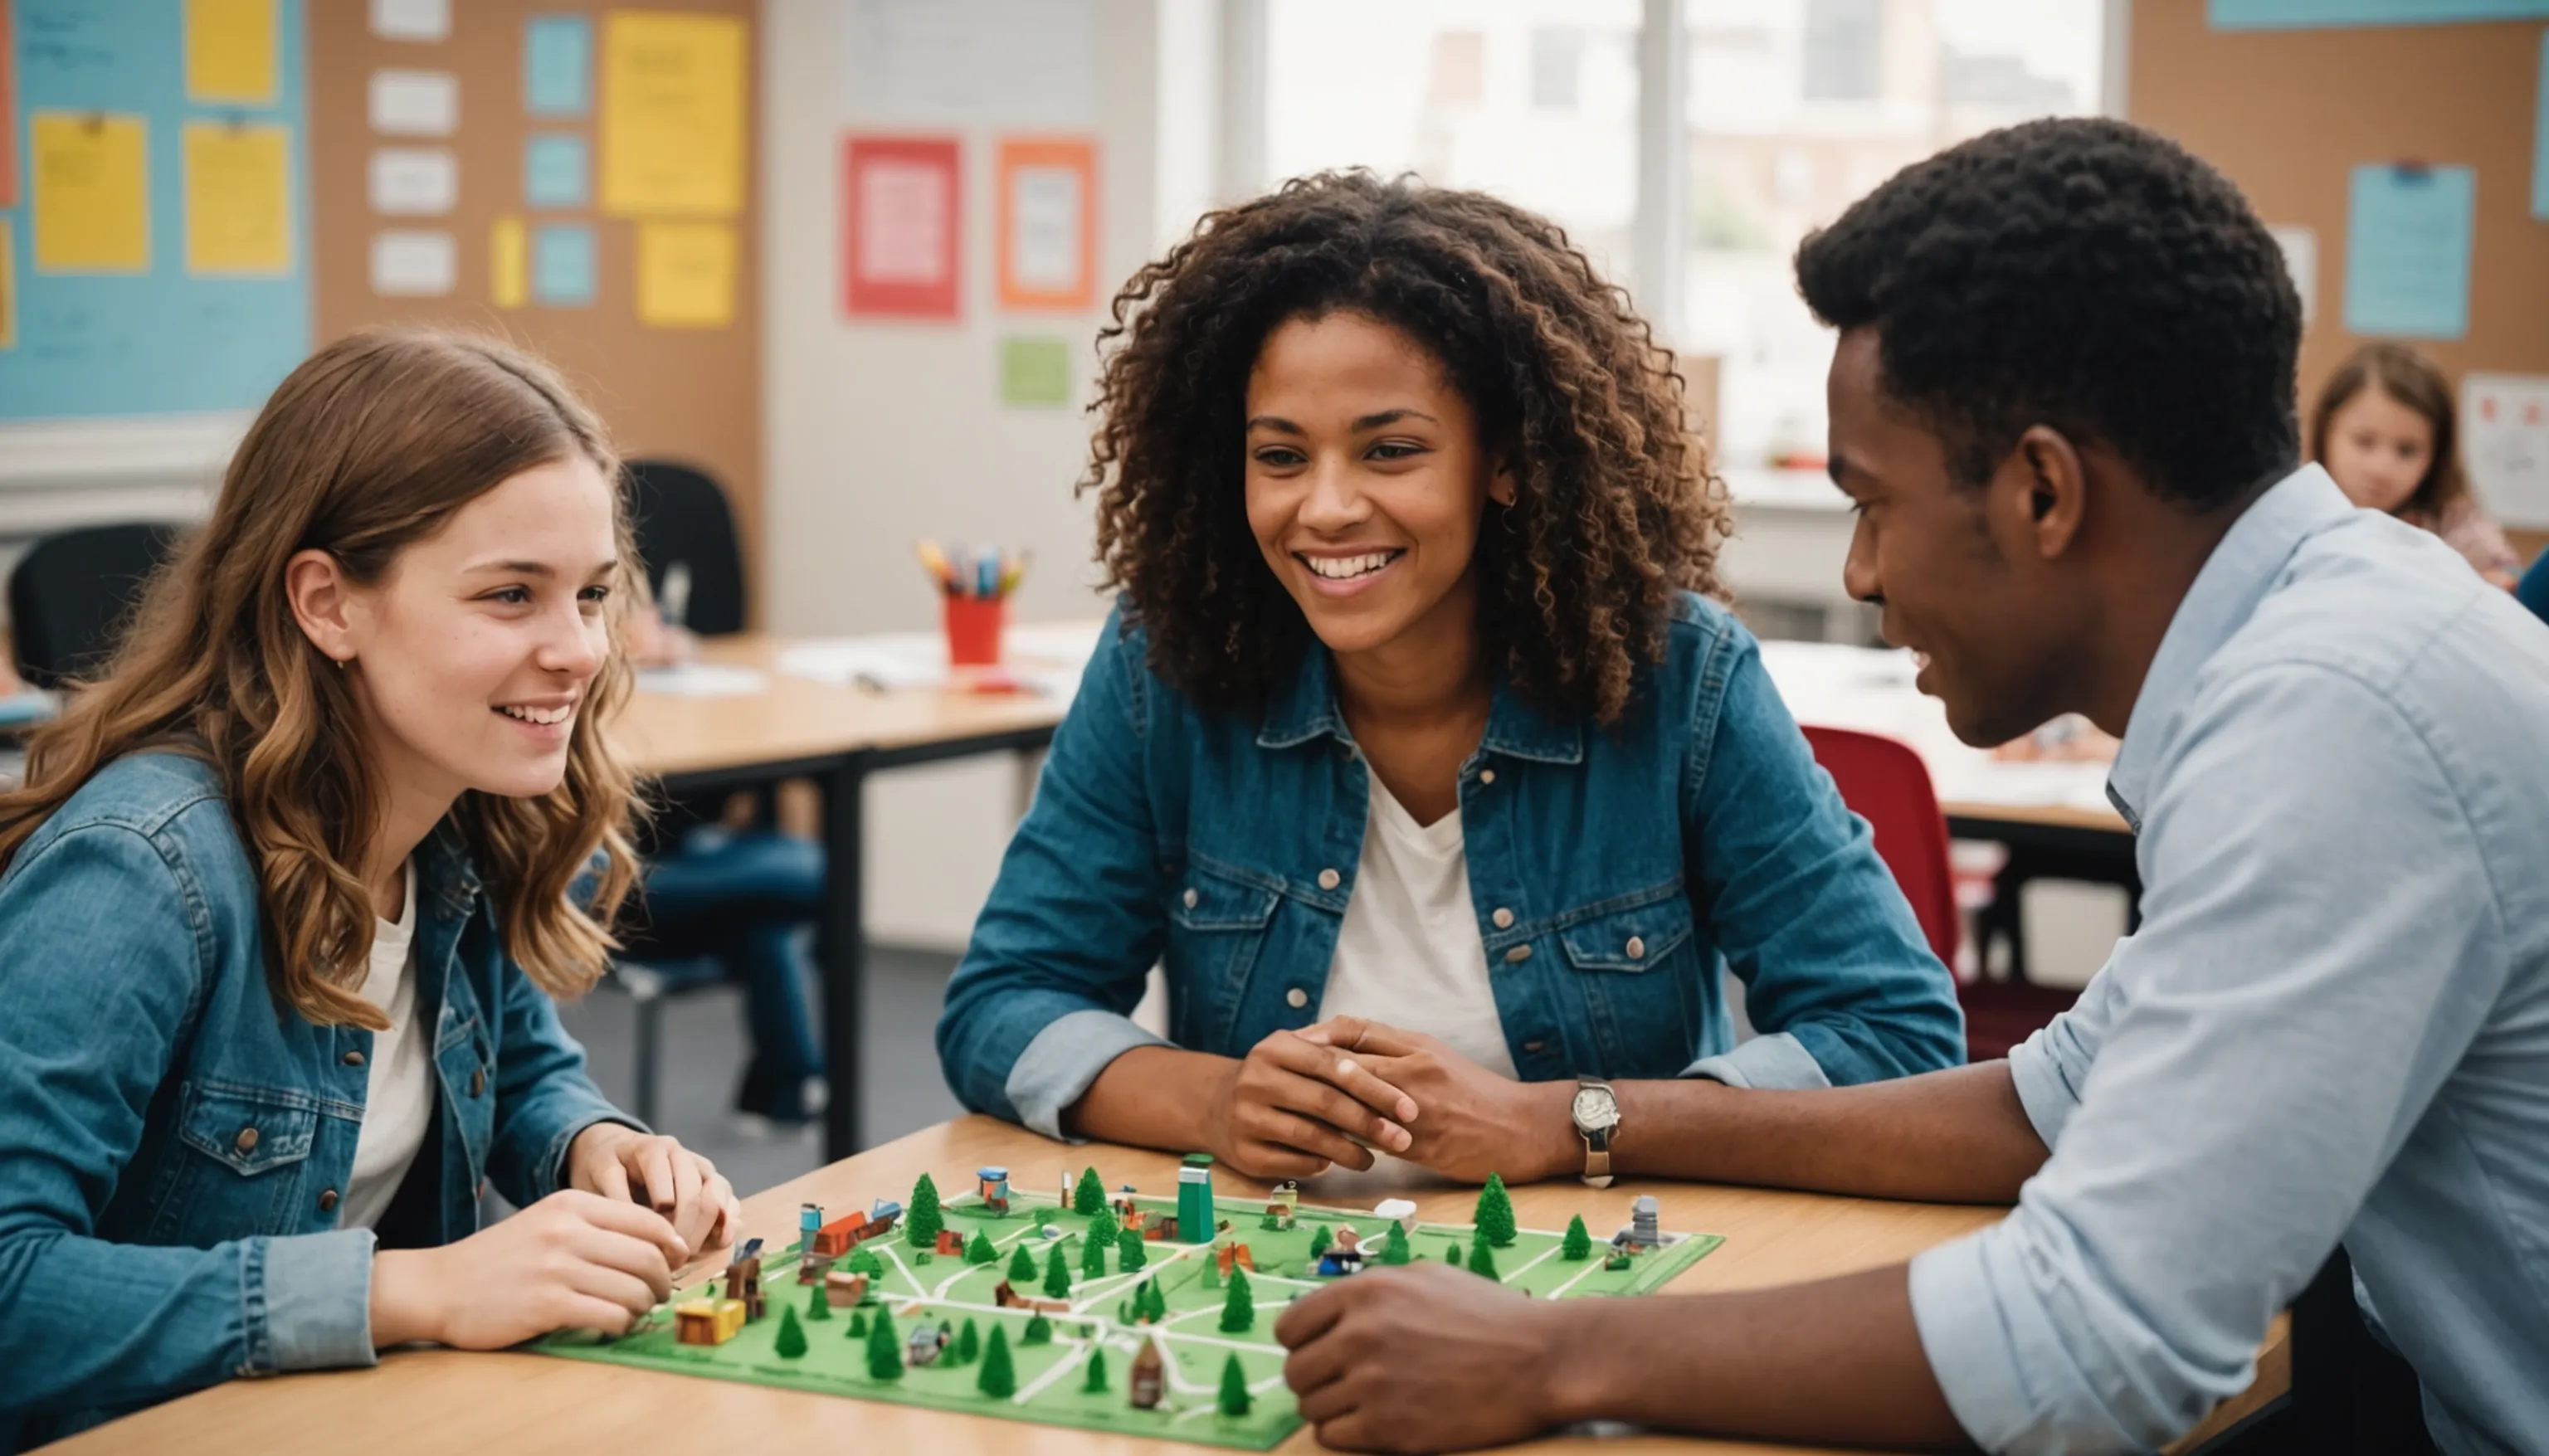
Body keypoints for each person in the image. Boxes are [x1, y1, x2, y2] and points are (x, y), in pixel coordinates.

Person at [1273, 119, 2549, 1456]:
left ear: (2043, 491)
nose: (1862, 574)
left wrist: (1549, 1350)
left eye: (1871, 504)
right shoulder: (2340, 631)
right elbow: (2050, 1102)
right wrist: (1575, 1120)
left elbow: (2096, 1339)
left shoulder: (2338, 720)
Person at [937, 173, 1964, 1187]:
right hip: (1268, 1289)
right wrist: (1207, 1100)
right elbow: (1004, 1003)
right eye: (1281, 457)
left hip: (1599, 1301)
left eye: (1391, 451)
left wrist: (1567, 1126)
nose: (1326, 508)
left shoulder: (1680, 679)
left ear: (1506, 463)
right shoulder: (1165, 665)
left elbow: (1896, 1036)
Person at [0, 330, 742, 1449]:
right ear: (327, 603)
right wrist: (415, 1290)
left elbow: (522, 1063)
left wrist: (595, 1143)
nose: (580, 649)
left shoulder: (456, 813)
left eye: (592, 594)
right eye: (510, 594)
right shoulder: (143, 872)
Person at [626, 607, 826, 1129]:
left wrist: (680, 647)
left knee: (765, 923)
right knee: (816, 871)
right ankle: (791, 1086)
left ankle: (786, 1088)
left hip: (683, 865)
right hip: (604, 881)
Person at [2311, 341, 2521, 587]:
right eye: (2364, 441)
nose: (2381, 469)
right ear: (2326, 429)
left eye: (2407, 450)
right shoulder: (2297, 513)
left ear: (2436, 454)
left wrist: (2503, 585)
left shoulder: (2456, 528)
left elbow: (2510, 578)